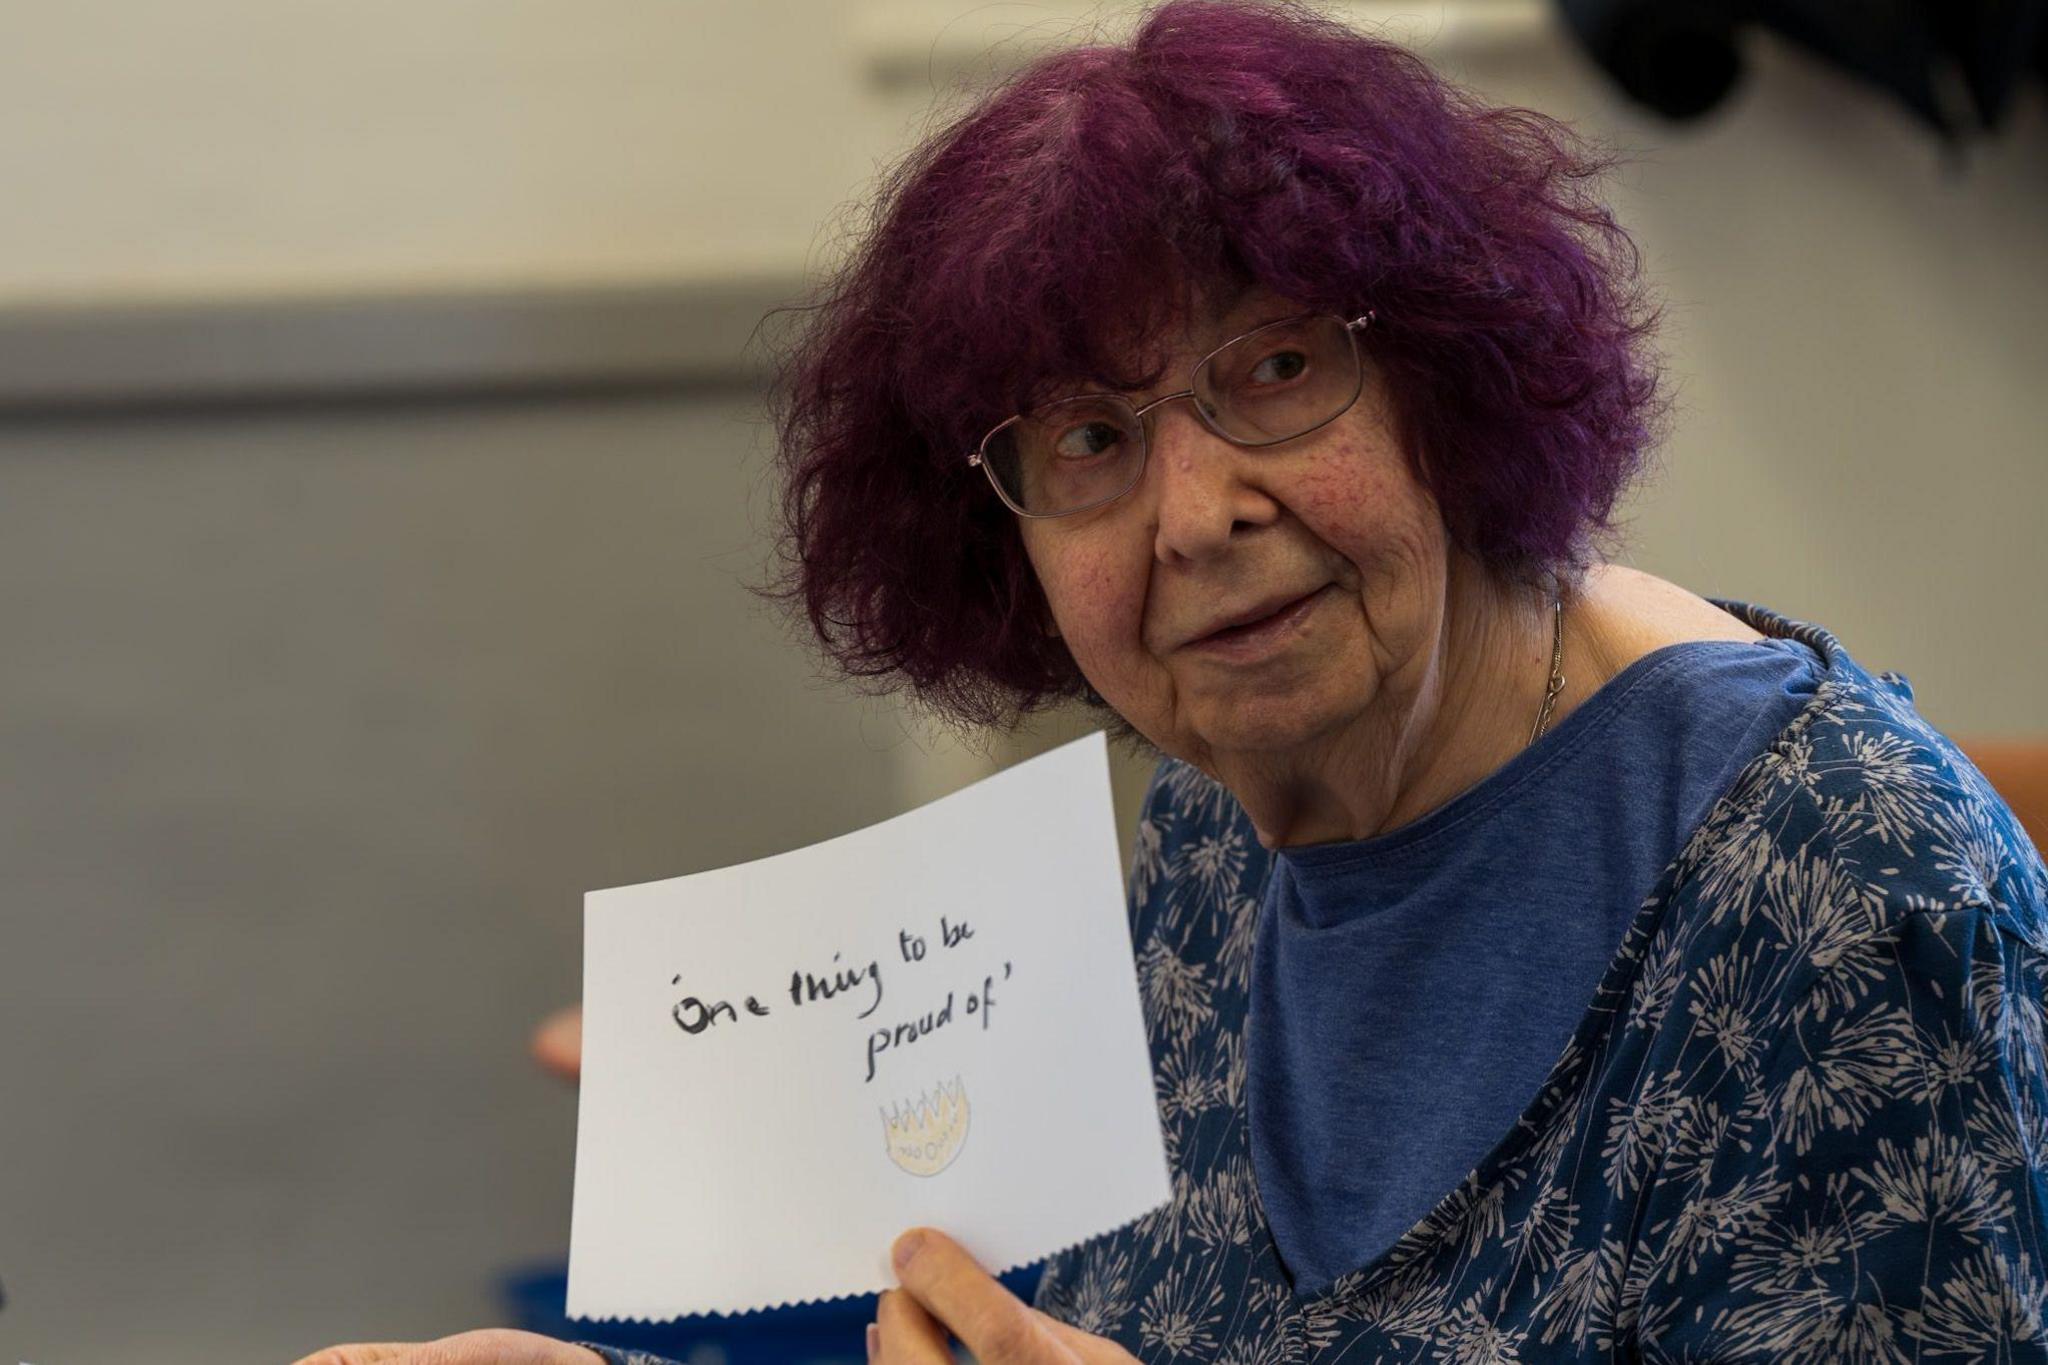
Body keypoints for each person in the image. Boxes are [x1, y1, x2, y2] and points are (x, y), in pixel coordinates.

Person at [297, 1, 2048, 1361]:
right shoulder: (1225, 824)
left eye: (1276, 368)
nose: (1195, 513)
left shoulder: (1844, 889)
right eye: (1090, 438)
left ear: (1449, 375)